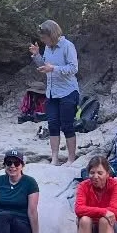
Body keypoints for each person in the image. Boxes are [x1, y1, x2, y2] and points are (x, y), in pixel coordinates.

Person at [29, 20, 80, 166]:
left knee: (67, 125)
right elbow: (45, 66)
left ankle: (71, 159)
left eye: (44, 37)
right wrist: (37, 55)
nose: (43, 40)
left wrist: (54, 69)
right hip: (51, 93)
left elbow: (73, 68)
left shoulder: (67, 46)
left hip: (68, 92)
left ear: (52, 34)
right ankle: (55, 159)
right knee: (52, 124)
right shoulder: (47, 48)